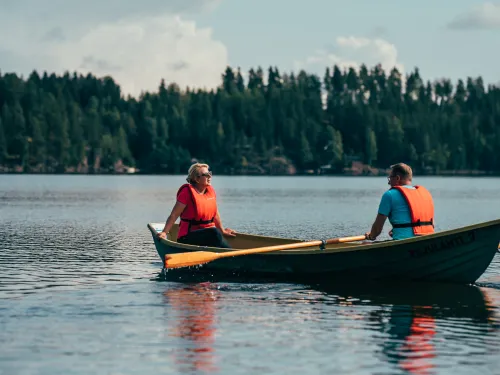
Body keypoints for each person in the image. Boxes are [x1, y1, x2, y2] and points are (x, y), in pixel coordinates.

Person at [157, 163, 236, 248]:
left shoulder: (210, 192)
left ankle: (228, 253)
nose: (209, 176)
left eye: (210, 173)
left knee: (215, 232)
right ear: (197, 178)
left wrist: (223, 231)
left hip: (208, 235)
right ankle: (232, 255)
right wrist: (164, 232)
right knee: (214, 232)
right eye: (206, 175)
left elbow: (215, 213)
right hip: (187, 237)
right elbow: (174, 215)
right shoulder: (186, 193)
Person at [365, 163, 434, 241]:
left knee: (365, 244)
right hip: (427, 239)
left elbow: (377, 229)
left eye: (390, 178)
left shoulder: (389, 195)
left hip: (403, 241)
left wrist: (371, 236)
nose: (389, 182)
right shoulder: (425, 194)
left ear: (397, 178)